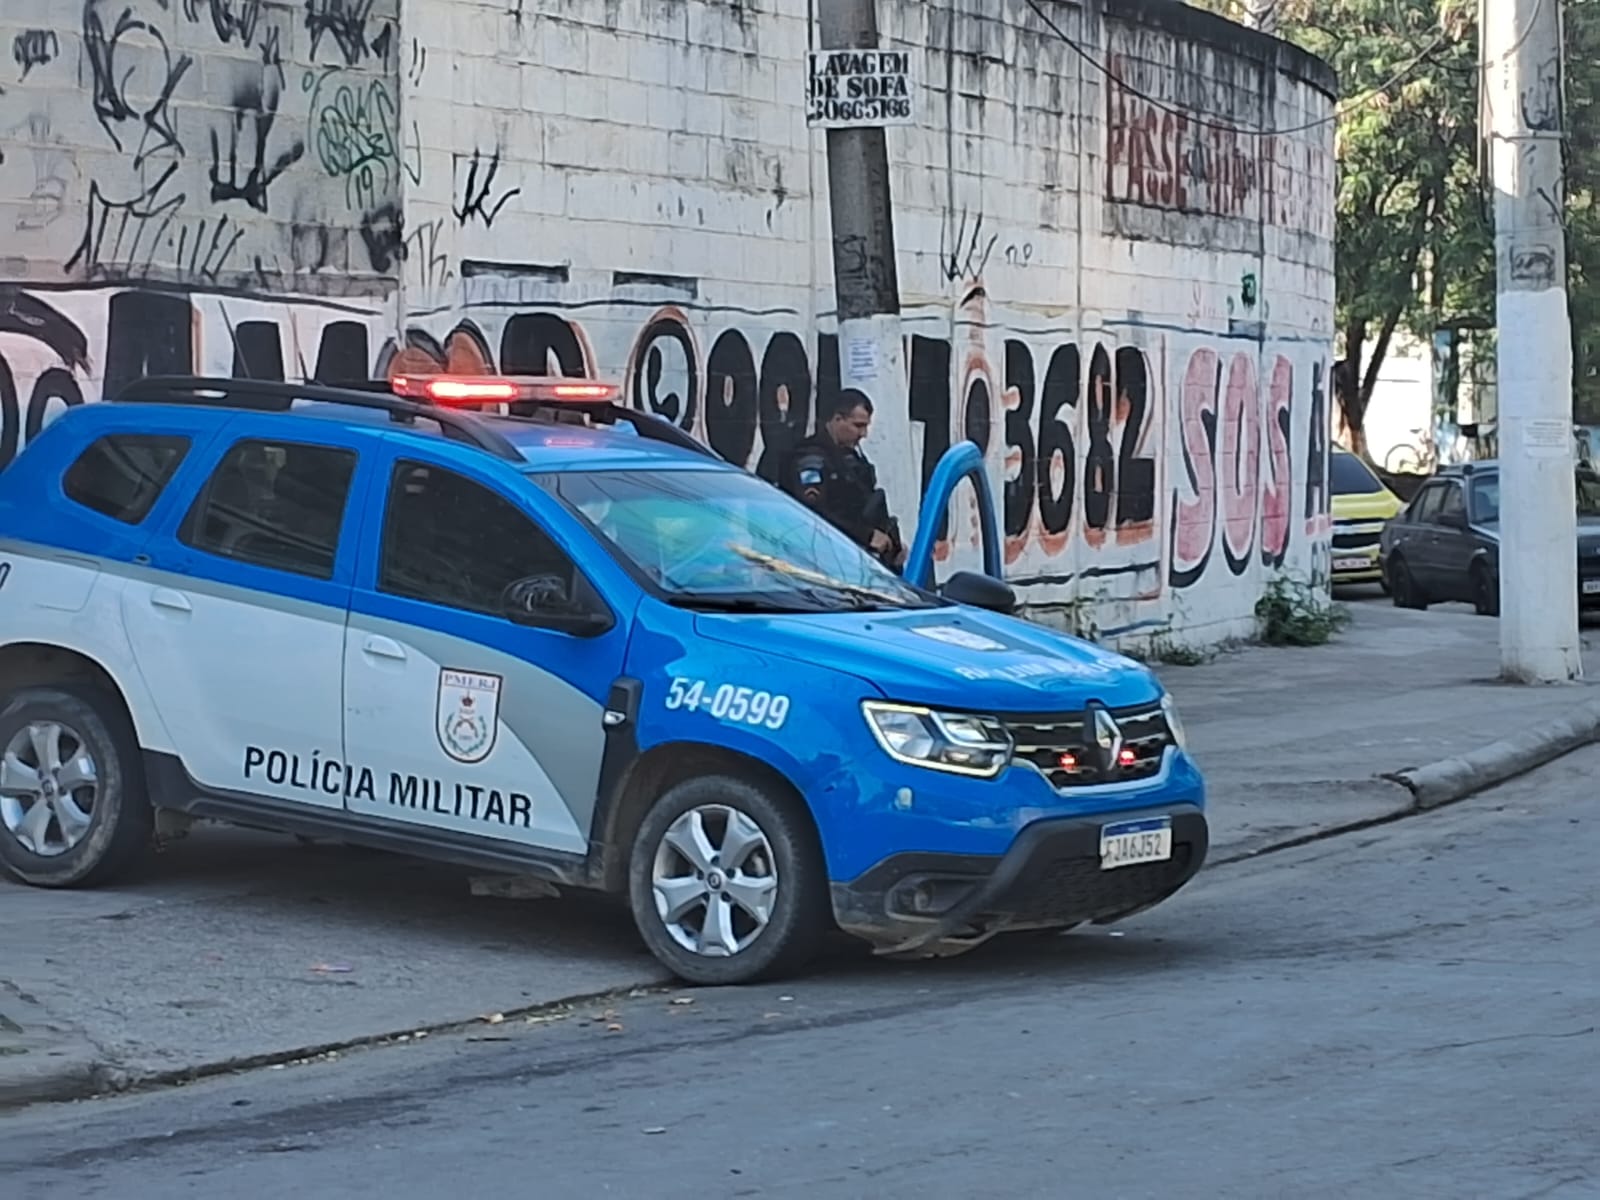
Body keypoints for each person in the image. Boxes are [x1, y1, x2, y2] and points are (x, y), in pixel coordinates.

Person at [782, 390, 906, 570]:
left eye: (866, 426)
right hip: (821, 560)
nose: (863, 434)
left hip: (851, 557)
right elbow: (812, 513)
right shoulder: (811, 458)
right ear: (837, 419)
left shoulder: (849, 458)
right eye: (858, 426)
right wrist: (866, 535)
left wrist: (890, 544)